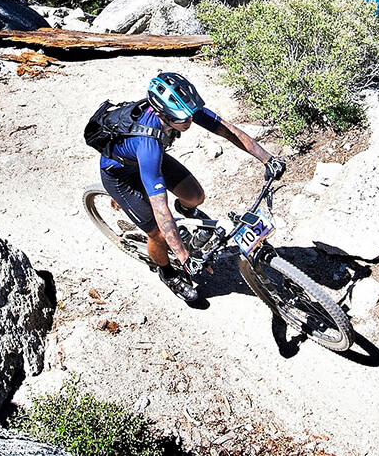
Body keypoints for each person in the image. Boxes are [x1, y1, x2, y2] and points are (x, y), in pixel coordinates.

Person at [99, 71, 285, 304]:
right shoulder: (148, 144)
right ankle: (167, 273)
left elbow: (229, 131)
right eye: (181, 119)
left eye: (190, 116)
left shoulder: (180, 112)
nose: (188, 122)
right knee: (158, 233)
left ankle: (188, 216)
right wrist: (184, 256)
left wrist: (267, 159)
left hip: (147, 161)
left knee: (195, 196)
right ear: (161, 115)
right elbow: (161, 208)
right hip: (122, 177)